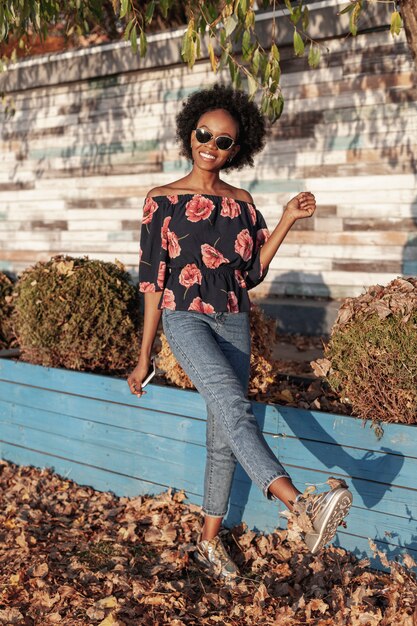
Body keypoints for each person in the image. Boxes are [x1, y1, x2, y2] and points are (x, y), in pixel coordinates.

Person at [127, 84, 352, 582]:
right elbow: (151, 281)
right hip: (182, 317)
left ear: (237, 149)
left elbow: (250, 273)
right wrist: (144, 356)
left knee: (223, 435)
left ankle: (209, 544)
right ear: (190, 132)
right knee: (232, 405)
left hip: (233, 317)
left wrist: (289, 219)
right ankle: (301, 505)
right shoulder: (160, 201)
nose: (210, 144)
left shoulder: (243, 204)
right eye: (204, 133)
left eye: (224, 140)